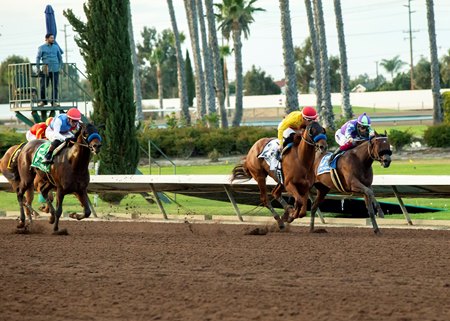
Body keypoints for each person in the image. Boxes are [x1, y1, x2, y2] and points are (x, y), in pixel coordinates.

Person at [36, 33, 63, 107]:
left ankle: (54, 102)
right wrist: (38, 68)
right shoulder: (41, 48)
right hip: (45, 69)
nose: (53, 39)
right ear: (46, 39)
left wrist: (61, 68)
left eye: (53, 38)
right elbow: (38, 58)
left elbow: (60, 58)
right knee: (43, 86)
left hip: (55, 69)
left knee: (55, 86)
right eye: (51, 38)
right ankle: (43, 101)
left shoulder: (56, 47)